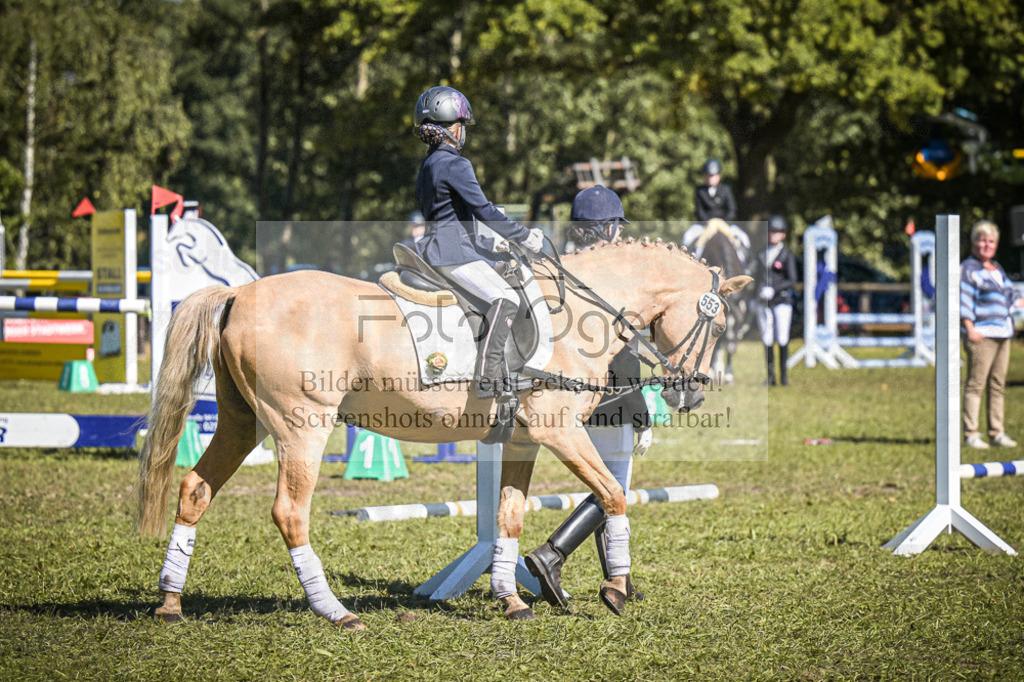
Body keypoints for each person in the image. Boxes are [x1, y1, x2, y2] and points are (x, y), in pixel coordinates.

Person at [524, 185, 651, 613]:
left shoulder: (557, 266)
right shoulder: (615, 273)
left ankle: (621, 575)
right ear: (612, 227)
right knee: (612, 485)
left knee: (606, 485)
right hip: (610, 396)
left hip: (562, 396)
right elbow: (626, 352)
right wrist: (642, 413)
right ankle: (553, 554)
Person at [413, 86, 545, 401]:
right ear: (452, 128)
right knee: (506, 299)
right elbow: (484, 210)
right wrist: (525, 236)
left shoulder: (429, 164)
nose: (464, 132)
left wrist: (486, 244)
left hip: (438, 249)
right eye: (462, 125)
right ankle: (488, 377)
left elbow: (449, 215)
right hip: (452, 253)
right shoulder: (456, 163)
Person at [960, 220, 1018, 449]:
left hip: (1003, 333)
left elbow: (1011, 295)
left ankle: (996, 432)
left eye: (991, 241)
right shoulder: (968, 269)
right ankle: (971, 433)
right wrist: (969, 327)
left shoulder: (997, 269)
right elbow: (963, 298)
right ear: (974, 243)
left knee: (997, 385)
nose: (987, 245)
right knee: (976, 384)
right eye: (982, 240)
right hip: (981, 334)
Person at [750, 215, 798, 386]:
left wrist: (775, 289)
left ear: (783, 234)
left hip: (781, 300)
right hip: (764, 302)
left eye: (776, 232)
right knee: (767, 338)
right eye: (771, 231)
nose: (773, 235)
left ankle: (783, 376)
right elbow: (757, 277)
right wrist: (753, 298)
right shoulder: (761, 253)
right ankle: (770, 376)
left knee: (782, 338)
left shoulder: (786, 255)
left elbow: (792, 280)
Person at [694, 158, 737, 223]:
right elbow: (699, 211)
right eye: (708, 176)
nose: (710, 178)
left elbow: (731, 209)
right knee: (688, 233)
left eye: (712, 176)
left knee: (742, 233)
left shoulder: (725, 189)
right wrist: (709, 222)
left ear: (719, 176)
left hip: (724, 223)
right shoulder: (700, 191)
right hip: (705, 224)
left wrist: (723, 221)